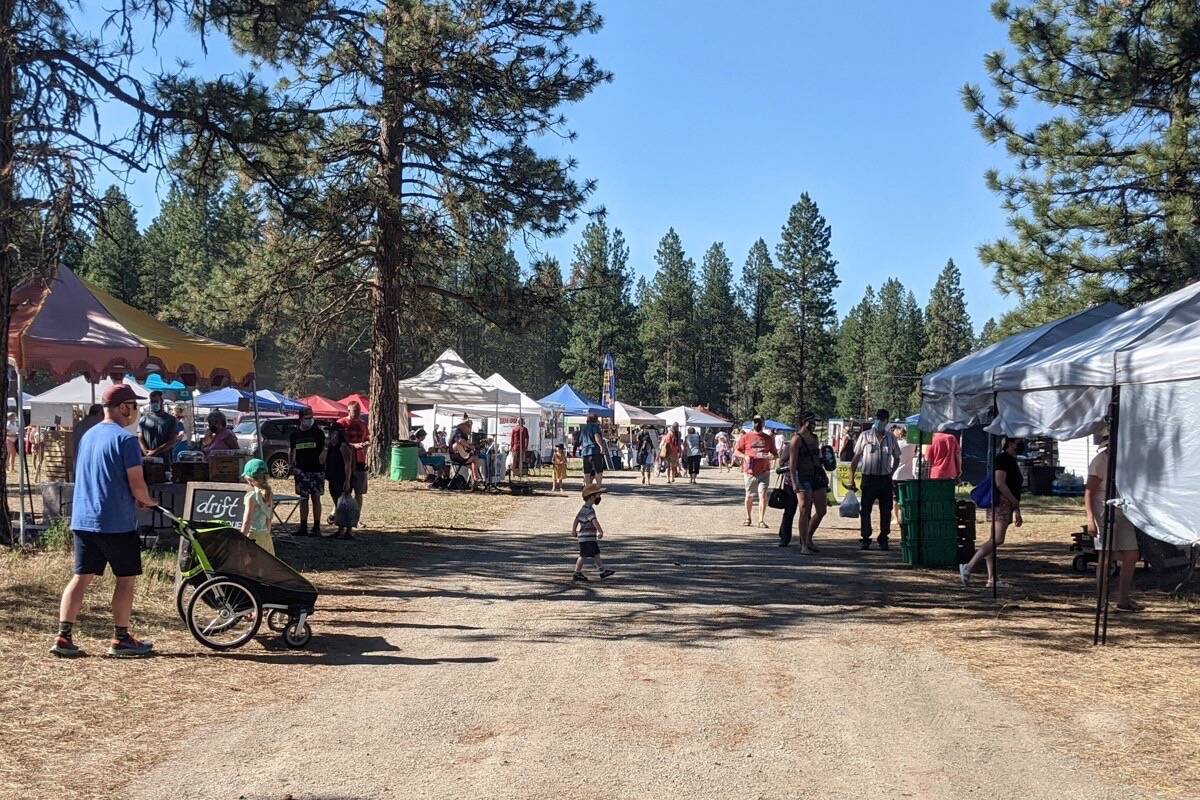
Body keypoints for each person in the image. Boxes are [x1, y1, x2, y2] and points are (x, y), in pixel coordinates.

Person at [51, 384, 155, 658]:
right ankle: (121, 638)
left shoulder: (88, 436)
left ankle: (63, 636)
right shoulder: (126, 440)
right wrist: (148, 500)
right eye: (134, 406)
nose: (136, 411)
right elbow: (137, 483)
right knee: (126, 579)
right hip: (116, 523)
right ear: (123, 407)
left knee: (80, 578)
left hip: (83, 519)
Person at [1085, 441, 1142, 611]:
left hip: (1124, 511)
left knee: (1132, 554)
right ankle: (1102, 602)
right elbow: (1088, 493)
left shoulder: (1128, 459)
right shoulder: (1100, 461)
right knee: (1105, 557)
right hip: (1104, 513)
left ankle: (1123, 599)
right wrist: (1090, 519)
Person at [960, 437, 1024, 588]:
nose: (1021, 444)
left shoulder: (1012, 460)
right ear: (1010, 442)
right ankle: (969, 566)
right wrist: (1013, 501)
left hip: (1008, 503)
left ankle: (992, 579)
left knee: (992, 540)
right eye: (1018, 441)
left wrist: (1016, 509)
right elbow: (1000, 483)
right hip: (1001, 502)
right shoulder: (1002, 459)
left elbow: (1014, 487)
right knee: (997, 539)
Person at [847, 409, 901, 551]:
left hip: (885, 479)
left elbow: (897, 457)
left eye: (883, 419)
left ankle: (883, 538)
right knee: (865, 510)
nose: (880, 421)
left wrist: (892, 472)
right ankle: (865, 538)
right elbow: (855, 459)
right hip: (868, 479)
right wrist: (851, 479)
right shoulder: (865, 436)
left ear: (887, 421)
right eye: (878, 418)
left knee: (886, 510)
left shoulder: (891, 438)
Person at [783, 411, 827, 552]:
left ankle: (808, 537)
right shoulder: (797, 439)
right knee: (804, 509)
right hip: (802, 477)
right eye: (812, 422)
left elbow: (817, 459)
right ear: (806, 422)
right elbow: (792, 463)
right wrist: (794, 482)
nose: (814, 425)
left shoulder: (814, 438)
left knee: (822, 510)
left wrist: (824, 472)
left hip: (816, 475)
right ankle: (803, 544)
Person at [289, 407, 326, 537]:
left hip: (316, 470)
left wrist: (322, 463)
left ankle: (316, 527)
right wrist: (291, 465)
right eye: (307, 418)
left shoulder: (318, 433)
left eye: (311, 417)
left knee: (316, 498)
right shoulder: (295, 434)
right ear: (300, 418)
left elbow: (324, 449)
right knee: (303, 499)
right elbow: (292, 450)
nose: (309, 420)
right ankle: (303, 526)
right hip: (301, 471)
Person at [735, 414, 778, 529]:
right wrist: (745, 456)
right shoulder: (746, 437)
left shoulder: (768, 438)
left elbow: (775, 454)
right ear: (753, 423)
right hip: (750, 471)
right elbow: (736, 451)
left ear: (763, 424)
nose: (757, 424)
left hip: (764, 471)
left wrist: (771, 457)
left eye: (759, 422)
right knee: (749, 495)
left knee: (763, 495)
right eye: (755, 422)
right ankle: (748, 518)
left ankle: (761, 520)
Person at [572, 484, 614, 582]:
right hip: (586, 538)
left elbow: (576, 519)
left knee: (596, 554)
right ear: (591, 497)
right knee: (583, 555)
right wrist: (600, 531)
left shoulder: (584, 508)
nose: (599, 498)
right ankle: (577, 572)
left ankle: (602, 571)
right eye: (598, 495)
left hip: (588, 537)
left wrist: (573, 530)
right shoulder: (589, 511)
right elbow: (595, 521)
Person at [334, 401, 369, 514]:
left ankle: (356, 516)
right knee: (344, 490)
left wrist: (366, 444)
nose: (357, 413)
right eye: (355, 411)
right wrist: (353, 445)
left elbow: (367, 438)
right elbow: (338, 442)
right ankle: (338, 513)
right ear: (348, 410)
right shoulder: (341, 423)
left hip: (360, 461)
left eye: (359, 411)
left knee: (359, 491)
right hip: (344, 461)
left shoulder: (363, 424)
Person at [324, 425, 356, 540]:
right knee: (337, 505)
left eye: (333, 432)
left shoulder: (343, 446)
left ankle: (348, 531)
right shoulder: (330, 446)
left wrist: (347, 481)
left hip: (342, 478)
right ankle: (340, 529)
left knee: (345, 505)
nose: (331, 434)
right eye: (330, 432)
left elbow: (348, 464)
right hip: (332, 477)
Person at [240, 458, 276, 556]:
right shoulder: (269, 494)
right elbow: (269, 519)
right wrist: (267, 533)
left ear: (250, 480)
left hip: (252, 536)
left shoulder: (251, 497)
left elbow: (247, 521)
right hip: (265, 537)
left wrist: (241, 538)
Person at [138, 391, 183, 464]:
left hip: (164, 461)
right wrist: (146, 452)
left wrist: (155, 452)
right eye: (152, 401)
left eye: (156, 401)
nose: (153, 404)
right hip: (147, 461)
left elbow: (172, 440)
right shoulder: (144, 419)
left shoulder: (171, 419)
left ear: (161, 402)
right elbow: (140, 438)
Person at [71, 404, 104, 478]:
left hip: (79, 466)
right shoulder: (98, 427)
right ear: (99, 413)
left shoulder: (79, 425)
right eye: (103, 414)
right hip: (92, 469)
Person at [449, 417, 482, 484]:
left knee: (472, 465)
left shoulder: (463, 434)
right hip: (456, 456)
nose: (469, 427)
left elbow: (466, 446)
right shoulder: (457, 431)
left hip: (460, 456)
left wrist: (474, 446)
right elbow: (460, 441)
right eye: (468, 426)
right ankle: (476, 478)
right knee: (475, 459)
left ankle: (474, 483)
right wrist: (470, 446)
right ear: (463, 425)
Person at [578, 411, 606, 488]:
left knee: (587, 472)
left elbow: (579, 441)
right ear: (596, 419)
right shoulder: (595, 426)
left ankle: (587, 487)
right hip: (595, 451)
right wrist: (601, 446)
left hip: (585, 452)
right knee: (598, 470)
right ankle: (598, 486)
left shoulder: (583, 428)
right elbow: (597, 436)